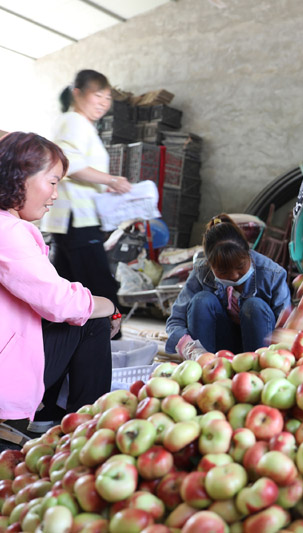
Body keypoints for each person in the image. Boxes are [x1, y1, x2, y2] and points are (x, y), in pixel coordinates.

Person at [0, 132, 120, 429]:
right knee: (92, 320)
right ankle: (88, 428)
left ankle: (51, 410)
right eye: (52, 182)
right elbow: (61, 302)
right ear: (19, 177)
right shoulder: (10, 231)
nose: (55, 194)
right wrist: (109, 304)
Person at [40, 69, 132, 317]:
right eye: (98, 95)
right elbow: (69, 162)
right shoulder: (74, 121)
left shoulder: (82, 125)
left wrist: (108, 186)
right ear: (77, 94)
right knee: (100, 287)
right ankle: (110, 343)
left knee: (69, 285)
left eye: (107, 97)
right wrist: (113, 180)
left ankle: (64, 345)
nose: (103, 103)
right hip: (77, 218)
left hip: (75, 219)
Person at [165, 214, 291, 356]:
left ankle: (256, 368)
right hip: (218, 347)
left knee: (254, 306)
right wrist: (188, 347)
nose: (234, 275)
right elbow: (176, 320)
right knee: (201, 301)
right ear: (210, 264)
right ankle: (204, 364)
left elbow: (287, 325)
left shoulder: (272, 274)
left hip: (260, 347)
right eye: (223, 271)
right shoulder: (202, 272)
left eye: (240, 266)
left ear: (248, 253)